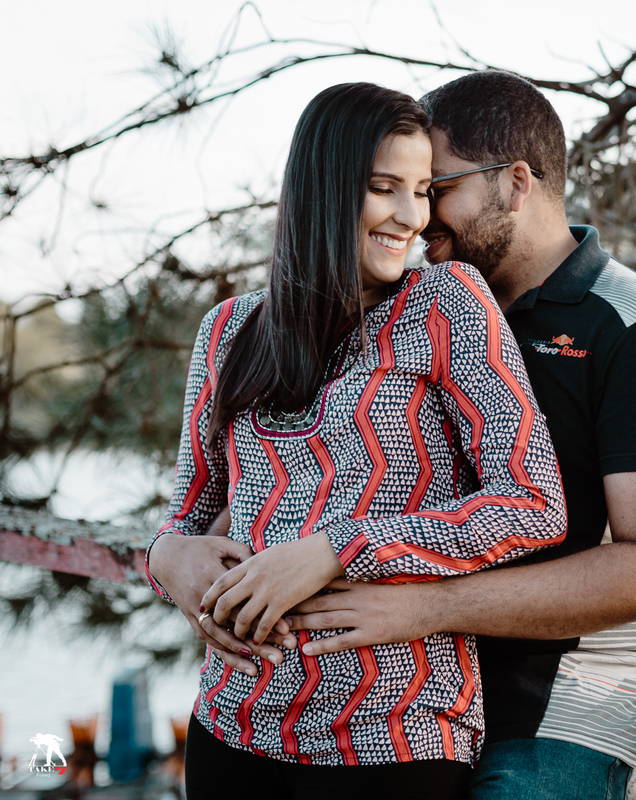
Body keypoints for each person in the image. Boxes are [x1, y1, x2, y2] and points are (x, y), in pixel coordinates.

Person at [275, 71, 636, 799]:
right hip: (416, 678)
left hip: (563, 698)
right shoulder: (413, 309)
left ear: (514, 183)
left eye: (435, 187)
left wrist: (421, 607)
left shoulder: (633, 329)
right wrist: (181, 551)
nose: (417, 216)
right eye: (403, 189)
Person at [144, 81, 566, 800]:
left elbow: (533, 502)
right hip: (232, 727)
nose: (412, 217)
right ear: (325, 187)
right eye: (384, 188)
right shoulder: (228, 332)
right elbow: (188, 512)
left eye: (425, 190)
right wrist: (166, 557)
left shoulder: (447, 303)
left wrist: (340, 547)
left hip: (393, 738)